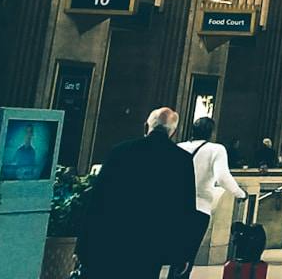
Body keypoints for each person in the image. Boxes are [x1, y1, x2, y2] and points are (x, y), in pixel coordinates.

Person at [79, 107, 198, 279]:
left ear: (145, 127)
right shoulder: (182, 160)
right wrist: (183, 253)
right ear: (173, 132)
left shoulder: (120, 151)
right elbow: (185, 210)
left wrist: (83, 246)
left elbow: (97, 200)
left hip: (112, 238)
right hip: (151, 244)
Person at [179, 116, 246, 271]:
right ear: (211, 132)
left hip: (176, 206)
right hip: (198, 208)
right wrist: (240, 193)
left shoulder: (179, 147)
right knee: (186, 257)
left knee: (172, 256)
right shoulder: (216, 149)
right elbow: (222, 177)